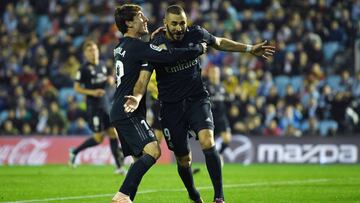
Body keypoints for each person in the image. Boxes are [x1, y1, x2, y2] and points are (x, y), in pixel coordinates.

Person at [124, 5, 275, 203]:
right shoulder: (156, 45)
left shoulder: (196, 33)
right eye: (174, 24)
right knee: (184, 160)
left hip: (197, 99)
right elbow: (143, 78)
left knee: (207, 141)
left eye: (182, 23)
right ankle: (193, 193)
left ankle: (219, 197)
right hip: (171, 107)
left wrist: (248, 49)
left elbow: (219, 42)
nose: (179, 28)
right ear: (165, 24)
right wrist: (136, 96)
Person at [110, 4, 206, 203]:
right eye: (140, 17)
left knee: (138, 162)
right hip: (129, 109)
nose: (145, 19)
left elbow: (144, 53)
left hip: (122, 108)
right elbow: (168, 56)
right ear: (128, 23)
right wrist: (197, 49)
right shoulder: (138, 47)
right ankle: (122, 195)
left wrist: (151, 40)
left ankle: (126, 197)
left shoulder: (122, 46)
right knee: (154, 150)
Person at [68, 40, 127, 175]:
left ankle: (119, 167)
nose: (93, 52)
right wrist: (92, 92)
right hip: (93, 107)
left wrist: (110, 80)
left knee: (113, 133)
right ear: (85, 54)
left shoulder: (102, 65)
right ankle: (74, 152)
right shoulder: (83, 69)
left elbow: (106, 81)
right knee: (98, 138)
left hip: (105, 104)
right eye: (90, 50)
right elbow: (76, 88)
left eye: (94, 50)